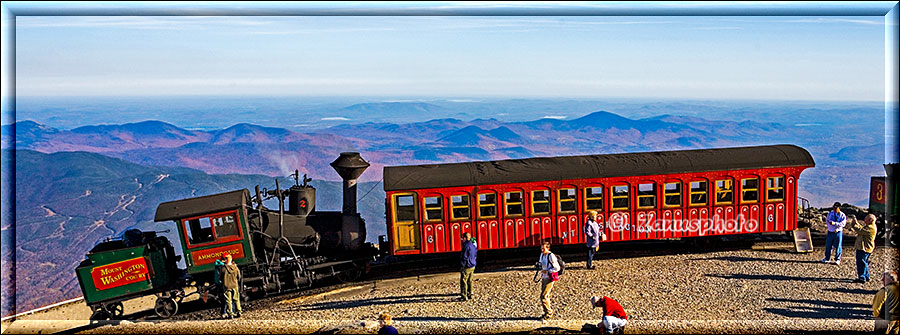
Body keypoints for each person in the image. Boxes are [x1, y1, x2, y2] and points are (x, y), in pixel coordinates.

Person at [537, 242, 561, 321]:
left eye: (544, 248)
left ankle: (549, 313)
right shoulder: (542, 255)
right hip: (544, 277)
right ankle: (547, 311)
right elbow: (541, 263)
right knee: (545, 295)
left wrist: (548, 271)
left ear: (548, 248)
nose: (542, 250)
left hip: (549, 278)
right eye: (541, 248)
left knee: (544, 296)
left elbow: (557, 268)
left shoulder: (551, 256)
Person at [852, 214, 877, 283]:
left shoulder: (871, 228)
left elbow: (860, 230)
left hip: (864, 248)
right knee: (864, 262)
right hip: (866, 248)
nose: (864, 219)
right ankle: (866, 276)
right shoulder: (869, 226)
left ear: (870, 220)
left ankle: (862, 277)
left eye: (866, 218)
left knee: (861, 262)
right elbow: (862, 228)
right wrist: (856, 222)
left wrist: (854, 224)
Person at [220, 253, 242, 319]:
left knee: (228, 300)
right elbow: (239, 276)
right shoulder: (235, 267)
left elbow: (220, 277)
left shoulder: (223, 268)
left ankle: (231, 314)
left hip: (227, 286)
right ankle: (239, 311)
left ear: (226, 260)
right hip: (234, 285)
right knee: (236, 299)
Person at [459, 232, 477, 301]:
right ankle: (470, 294)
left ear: (465, 238)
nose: (461, 239)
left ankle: (464, 295)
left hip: (467, 265)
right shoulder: (472, 245)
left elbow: (464, 257)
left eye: (462, 238)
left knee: (463, 280)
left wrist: (462, 266)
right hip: (473, 264)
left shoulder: (466, 246)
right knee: (470, 280)